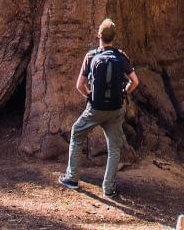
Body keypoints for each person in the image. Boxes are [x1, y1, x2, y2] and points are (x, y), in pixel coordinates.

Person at [59, 17, 138, 198]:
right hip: (116, 110)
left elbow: (80, 84)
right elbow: (135, 81)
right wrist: (125, 92)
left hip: (95, 109)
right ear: (114, 37)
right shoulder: (121, 56)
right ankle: (108, 189)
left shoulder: (91, 56)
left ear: (99, 35)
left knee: (77, 133)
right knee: (114, 147)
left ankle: (72, 178)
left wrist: (89, 95)